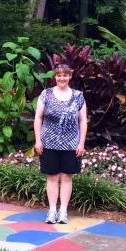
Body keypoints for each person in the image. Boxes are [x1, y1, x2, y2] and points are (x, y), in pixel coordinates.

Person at [33, 63, 88, 224]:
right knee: (52, 177)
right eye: (59, 75)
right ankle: (51, 211)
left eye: (65, 75)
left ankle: (63, 211)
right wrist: (38, 140)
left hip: (71, 144)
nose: (62, 78)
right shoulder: (46, 94)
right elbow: (38, 117)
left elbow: (83, 120)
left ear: (70, 76)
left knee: (66, 177)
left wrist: (81, 143)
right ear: (55, 77)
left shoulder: (78, 96)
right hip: (49, 143)